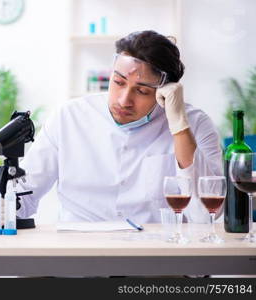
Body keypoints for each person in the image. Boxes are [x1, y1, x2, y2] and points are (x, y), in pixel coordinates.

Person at [16, 30, 222, 224]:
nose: (124, 101)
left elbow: (205, 215)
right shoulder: (69, 117)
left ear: (165, 91)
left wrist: (179, 125)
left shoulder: (195, 124)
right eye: (118, 82)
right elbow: (25, 192)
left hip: (157, 252)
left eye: (141, 91)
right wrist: (1, 202)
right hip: (79, 248)